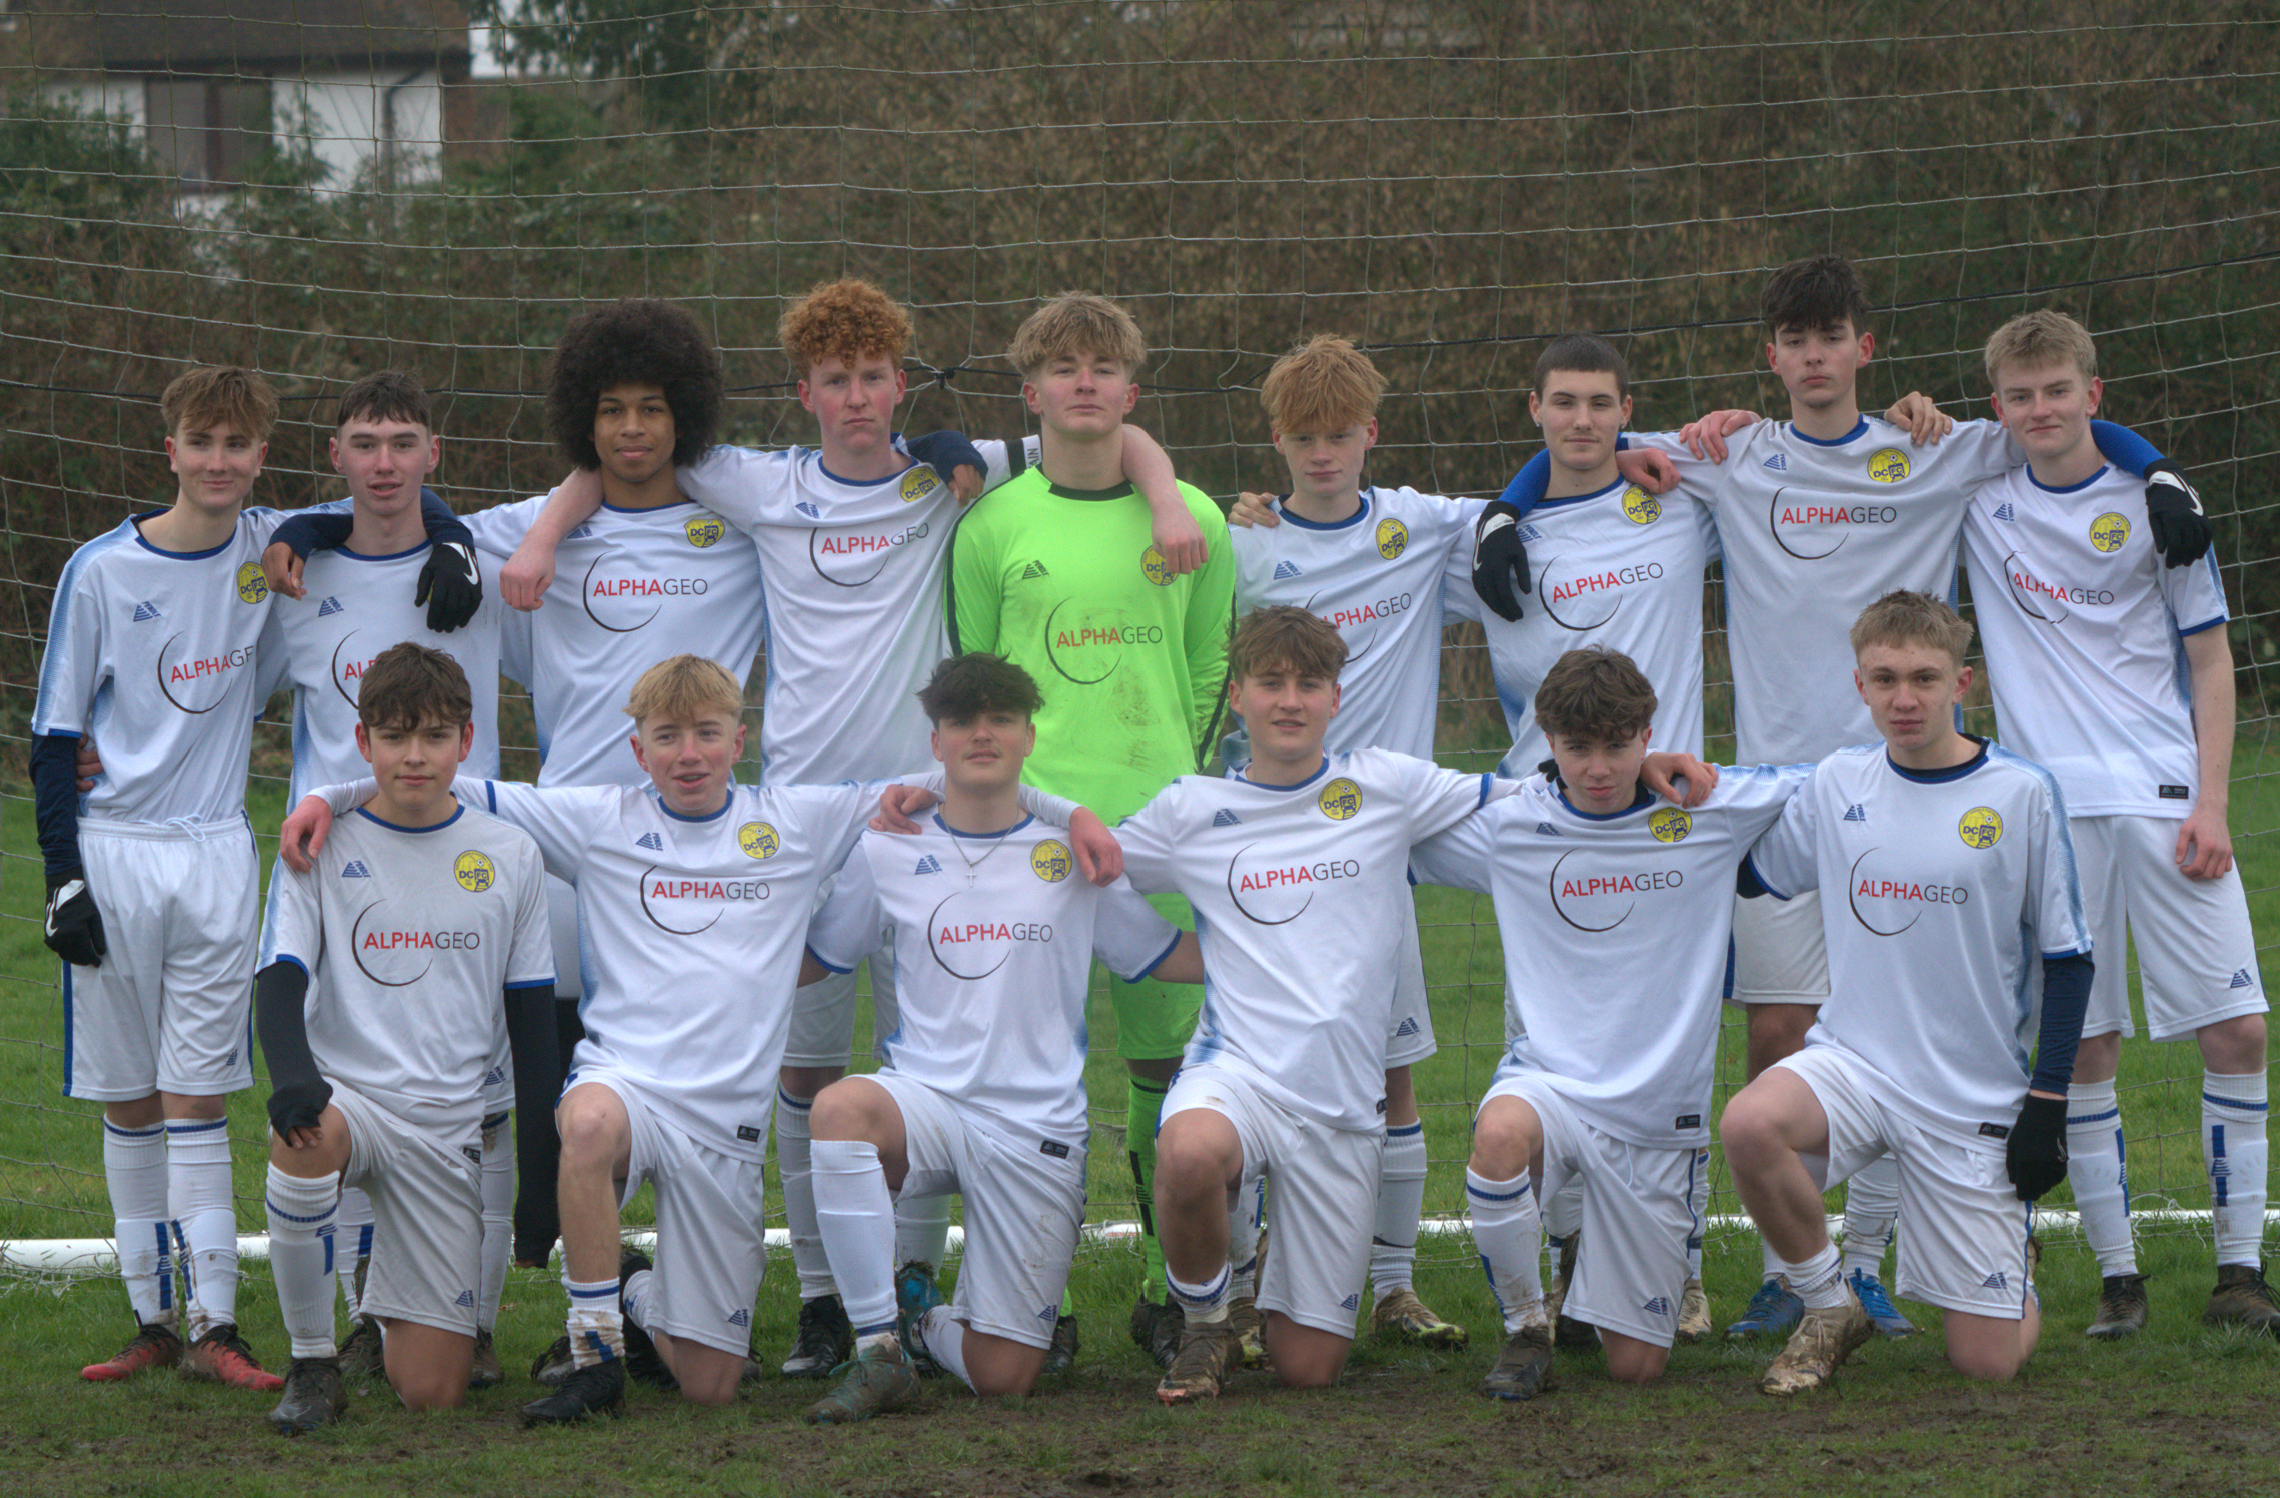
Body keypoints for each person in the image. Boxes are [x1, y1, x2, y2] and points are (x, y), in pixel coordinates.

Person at [466, 280, 1201, 1378]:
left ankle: (908, 1293)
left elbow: (1110, 429)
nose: (855, 398)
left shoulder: (942, 478)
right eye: (834, 381)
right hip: (801, 831)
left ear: (899, 385)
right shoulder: (759, 485)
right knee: (804, 1078)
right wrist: (543, 540)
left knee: (927, 1070)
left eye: (874, 378)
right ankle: (821, 1300)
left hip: (926, 820)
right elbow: (608, 461)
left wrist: (1175, 505)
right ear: (803, 393)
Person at [1489, 254, 2184, 1343]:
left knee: (1914, 1031)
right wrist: (1500, 512)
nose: (1814, 358)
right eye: (1794, 341)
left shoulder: (1931, 445)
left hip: (1913, 784)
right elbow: (1583, 449)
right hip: (1782, 792)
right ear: (1772, 359)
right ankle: (1794, 1267)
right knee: (1778, 1034)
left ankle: (1882, 1259)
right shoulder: (1732, 455)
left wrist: (2164, 477)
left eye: (1833, 338)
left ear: (1866, 348)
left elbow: (2059, 433)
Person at [277, 655, 1115, 1424]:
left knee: (710, 1382)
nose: (688, 753)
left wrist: (1069, 813)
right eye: (666, 737)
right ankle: (594, 1347)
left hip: (728, 1129)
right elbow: (435, 784)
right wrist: (327, 797)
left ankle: (634, 1291)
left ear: (737, 740)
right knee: (590, 1123)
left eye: (707, 734)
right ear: (637, 749)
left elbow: (961, 771)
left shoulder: (797, 820)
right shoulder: (597, 819)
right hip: (626, 1088)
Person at [263, 300, 774, 1306]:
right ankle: (534, 1278)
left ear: (686, 417)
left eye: (653, 410)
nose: (632, 429)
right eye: (610, 411)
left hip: (707, 843)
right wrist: (308, 521)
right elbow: (405, 520)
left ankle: (705, 1294)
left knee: (708, 1073)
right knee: (554, 1081)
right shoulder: (516, 533)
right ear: (582, 418)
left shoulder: (745, 529)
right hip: (569, 840)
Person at [1116, 606, 1711, 1403]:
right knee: (1187, 1150)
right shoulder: (1190, 810)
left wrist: (1640, 762)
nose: (1289, 700)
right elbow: (1085, 869)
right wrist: (1169, 957)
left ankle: (1283, 1291)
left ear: (1335, 696)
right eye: (1270, 684)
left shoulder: (1388, 787)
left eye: (1308, 683)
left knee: (1309, 1370)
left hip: (1343, 1111)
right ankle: (1204, 1325)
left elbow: (1533, 793)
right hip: (1238, 1075)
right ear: (1239, 700)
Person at [34, 365, 473, 1392]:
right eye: (203, 442)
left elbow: (394, 489)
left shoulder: (271, 545)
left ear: (260, 457)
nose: (221, 461)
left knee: (200, 1096)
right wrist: (61, 874)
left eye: (239, 446)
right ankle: (150, 1317)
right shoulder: (99, 570)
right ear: (172, 450)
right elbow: (56, 735)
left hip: (220, 851)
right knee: (131, 1099)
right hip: (114, 850)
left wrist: (451, 541)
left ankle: (216, 1327)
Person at [1955, 311, 2270, 1334]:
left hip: (2174, 804)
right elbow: (1887, 443)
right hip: (2053, 815)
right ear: (1997, 405)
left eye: (2058, 390)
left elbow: (2212, 659)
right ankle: (2118, 1280)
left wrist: (2215, 798)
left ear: (2096, 393)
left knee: (2237, 1030)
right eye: (2019, 394)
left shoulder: (2160, 506)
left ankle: (2240, 1273)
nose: (2039, 409)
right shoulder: (1979, 498)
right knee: (2084, 1048)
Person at [945, 291, 1239, 1361]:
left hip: (1157, 834)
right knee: (1023, 1072)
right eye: (1061, 367)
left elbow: (1213, 666)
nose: (1083, 381)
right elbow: (971, 676)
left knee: (1170, 1069)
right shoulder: (991, 526)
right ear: (1030, 395)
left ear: (1131, 390)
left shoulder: (1194, 520)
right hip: (1030, 840)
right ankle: (1035, 1301)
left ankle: (1182, 1295)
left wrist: (1179, 788)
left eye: (1102, 366)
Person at [796, 653, 1204, 1422]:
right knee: (839, 1110)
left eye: (1001, 719)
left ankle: (921, 1322)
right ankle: (879, 1348)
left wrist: (1287, 950)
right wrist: (705, 954)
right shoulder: (886, 848)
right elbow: (818, 960)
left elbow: (1162, 956)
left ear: (1028, 736)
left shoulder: (1073, 858)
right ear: (936, 740)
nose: (981, 733)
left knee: (1004, 1377)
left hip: (1035, 1125)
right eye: (962, 721)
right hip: (926, 1102)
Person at [1408, 645, 1804, 1398]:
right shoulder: (1508, 820)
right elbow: (1375, 825)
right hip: (1548, 1086)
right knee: (1496, 1139)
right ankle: (1527, 1328)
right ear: (1547, 742)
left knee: (1636, 1368)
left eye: (1617, 747)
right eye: (1577, 748)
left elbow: (1841, 783)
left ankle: (1595, 1265)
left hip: (1657, 1116)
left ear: (1648, 735)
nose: (1597, 767)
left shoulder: (1709, 809)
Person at [1721, 590, 2091, 1393]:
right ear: (1859, 685)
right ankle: (1829, 1304)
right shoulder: (1836, 782)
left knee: (1985, 1366)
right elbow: (1752, 871)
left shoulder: (2021, 793)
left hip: (1971, 1097)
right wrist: (1660, 787)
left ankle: (2011, 1260)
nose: (1904, 698)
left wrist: (2049, 1101)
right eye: (1884, 679)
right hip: (1852, 1064)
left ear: (1964, 683)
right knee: (1750, 1124)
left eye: (1924, 678)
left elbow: (2070, 961)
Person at [1221, 333, 1484, 1351]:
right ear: (1276, 442)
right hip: (1268, 847)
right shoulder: (1240, 547)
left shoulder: (1419, 526)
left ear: (1370, 435)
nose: (1322, 453)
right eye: (1303, 438)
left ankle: (1393, 1286)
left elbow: (1538, 489)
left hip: (1375, 848)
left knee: (1391, 1074)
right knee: (1260, 1072)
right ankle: (1244, 1289)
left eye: (1340, 435)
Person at [253, 370, 516, 1386]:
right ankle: (364, 1315)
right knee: (350, 1090)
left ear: (434, 454)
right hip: (337, 863)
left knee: (478, 1103)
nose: (384, 462)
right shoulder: (292, 570)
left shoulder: (480, 561)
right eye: (364, 443)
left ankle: (474, 1319)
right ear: (335, 458)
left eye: (404, 442)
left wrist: (449, 539)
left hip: (471, 861)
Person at [254, 644, 557, 1432]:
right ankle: (313, 1361)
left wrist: (539, 1181)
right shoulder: (315, 844)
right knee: (304, 1139)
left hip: (446, 1129)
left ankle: (384, 1287)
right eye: (393, 737)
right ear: (363, 744)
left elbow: (531, 1023)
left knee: (434, 1393)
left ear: (465, 740)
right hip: (351, 1102)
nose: (413, 756)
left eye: (432, 736)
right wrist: (294, 1083)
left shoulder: (512, 855)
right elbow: (279, 980)